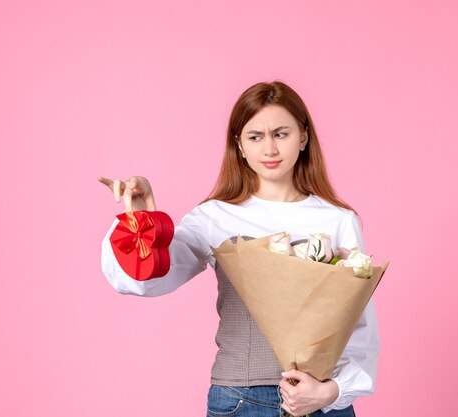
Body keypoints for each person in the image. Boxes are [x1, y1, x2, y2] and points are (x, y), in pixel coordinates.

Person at [98, 81, 379, 417]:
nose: (270, 149)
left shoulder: (338, 220)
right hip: (242, 401)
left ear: (303, 137)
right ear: (240, 146)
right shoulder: (215, 216)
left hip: (323, 404)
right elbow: (144, 281)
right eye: (255, 136)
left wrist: (329, 392)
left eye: (281, 133)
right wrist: (141, 219)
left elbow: (359, 327)